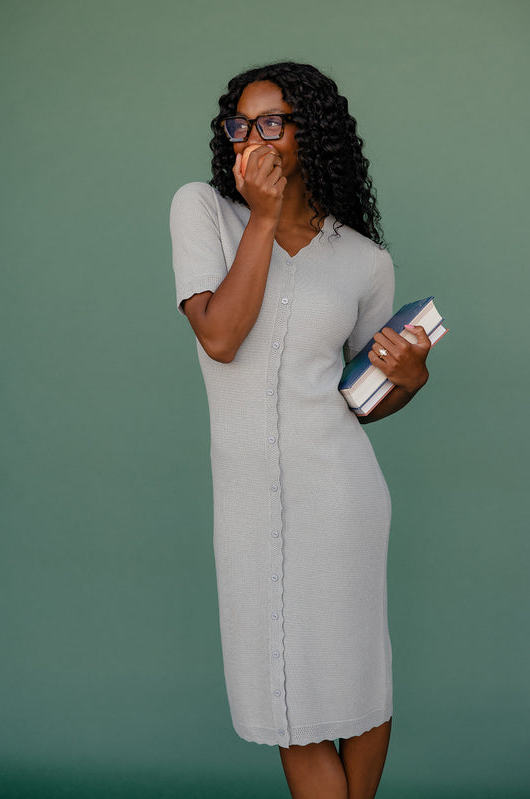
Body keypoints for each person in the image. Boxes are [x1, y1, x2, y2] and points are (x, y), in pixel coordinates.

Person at [170, 61, 431, 799]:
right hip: (248, 503)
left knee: (356, 677)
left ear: (310, 134)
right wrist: (259, 215)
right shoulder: (203, 212)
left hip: (340, 493)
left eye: (272, 122)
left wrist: (406, 383)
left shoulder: (362, 259)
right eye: (240, 125)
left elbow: (361, 400)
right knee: (291, 704)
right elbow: (219, 337)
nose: (252, 138)